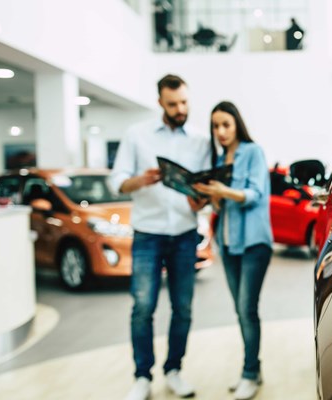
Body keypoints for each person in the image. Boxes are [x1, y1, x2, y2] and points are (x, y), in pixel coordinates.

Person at [109, 74, 210, 400]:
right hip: (147, 234)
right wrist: (140, 180)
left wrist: (201, 199)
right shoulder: (136, 135)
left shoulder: (200, 140)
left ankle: (174, 370)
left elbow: (204, 187)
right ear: (160, 103)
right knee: (142, 307)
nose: (180, 109)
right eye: (172, 104)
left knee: (183, 309)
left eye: (184, 102)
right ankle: (142, 376)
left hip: (184, 233)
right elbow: (117, 181)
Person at [193, 101, 272, 400]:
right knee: (241, 312)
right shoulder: (218, 158)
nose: (221, 131)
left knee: (246, 309)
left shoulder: (252, 152)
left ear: (237, 123)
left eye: (226, 124)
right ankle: (254, 368)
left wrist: (221, 191)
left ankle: (250, 373)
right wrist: (208, 197)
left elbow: (255, 194)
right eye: (215, 126)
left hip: (254, 243)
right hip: (227, 244)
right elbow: (221, 206)